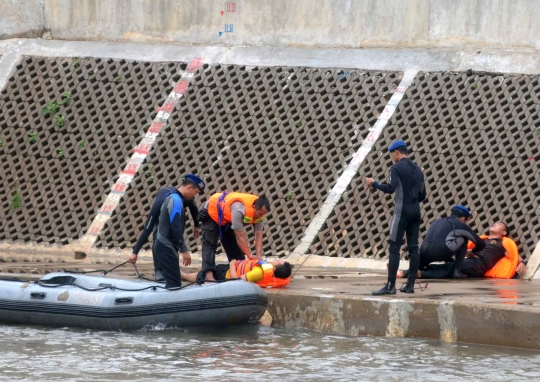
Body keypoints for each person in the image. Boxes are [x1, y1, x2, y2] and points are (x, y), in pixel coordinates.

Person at [364, 140, 426, 294]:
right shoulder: (418, 169)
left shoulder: (396, 167)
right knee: (413, 248)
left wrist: (374, 183)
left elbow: (390, 188)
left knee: (394, 248)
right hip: (416, 212)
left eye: (392, 154)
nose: (392, 157)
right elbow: (422, 195)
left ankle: (391, 286)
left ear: (397, 152)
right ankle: (410, 285)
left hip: (401, 212)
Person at [127, 174, 205, 288]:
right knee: (158, 236)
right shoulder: (170, 201)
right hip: (163, 240)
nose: (195, 195)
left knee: (174, 278)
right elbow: (148, 228)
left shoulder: (183, 198)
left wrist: (196, 226)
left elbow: (193, 208)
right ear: (189, 187)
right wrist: (135, 252)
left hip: (171, 241)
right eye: (196, 192)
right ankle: (159, 271)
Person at [199, 192, 270, 282]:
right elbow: (240, 237)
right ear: (254, 207)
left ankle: (236, 271)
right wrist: (250, 255)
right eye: (260, 213)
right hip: (212, 213)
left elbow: (259, 234)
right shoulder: (239, 209)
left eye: (263, 214)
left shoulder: (260, 214)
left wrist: (259, 256)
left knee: (233, 247)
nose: (261, 216)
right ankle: (208, 276)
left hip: (226, 220)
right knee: (210, 244)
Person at [399, 205, 486, 279]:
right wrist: (473, 251)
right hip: (441, 252)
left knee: (418, 268)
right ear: (463, 219)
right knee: (464, 238)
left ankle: (404, 272)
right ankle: (457, 271)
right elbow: (481, 244)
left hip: (423, 252)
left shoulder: (437, 221)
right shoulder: (460, 225)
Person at [413, 222, 516, 279]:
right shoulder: (483, 239)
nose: (494, 224)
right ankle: (410, 272)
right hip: (471, 260)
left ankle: (421, 274)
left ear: (504, 232)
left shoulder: (503, 243)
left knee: (451, 269)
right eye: (494, 223)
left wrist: (522, 263)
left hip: (480, 264)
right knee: (447, 265)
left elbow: (513, 255)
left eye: (498, 224)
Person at [180, 258, 292, 285]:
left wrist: (232, 264)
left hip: (225, 274)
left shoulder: (258, 273)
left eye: (277, 261)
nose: (275, 260)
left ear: (275, 269)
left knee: (201, 275)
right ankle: (183, 275)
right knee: (202, 272)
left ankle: (182, 275)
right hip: (227, 269)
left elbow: (235, 281)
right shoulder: (271, 272)